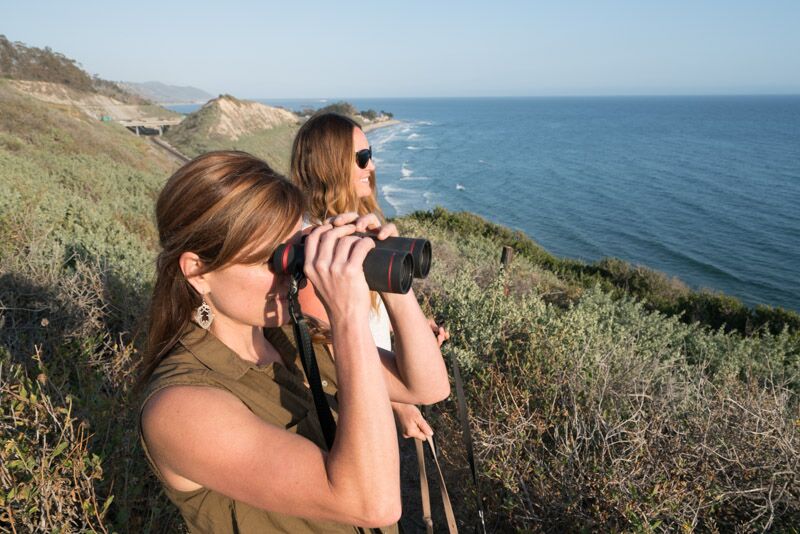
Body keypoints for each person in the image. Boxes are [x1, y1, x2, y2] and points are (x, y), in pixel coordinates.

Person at [138, 151, 450, 533]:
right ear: (198, 271)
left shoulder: (292, 334)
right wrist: (348, 312)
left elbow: (426, 387)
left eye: (294, 249)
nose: (290, 272)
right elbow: (374, 503)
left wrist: (385, 274)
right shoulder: (180, 409)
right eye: (270, 260)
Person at [290, 113, 449, 441]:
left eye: (370, 155)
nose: (372, 167)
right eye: (362, 158)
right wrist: (400, 400)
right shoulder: (314, 259)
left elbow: (361, 322)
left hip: (374, 395)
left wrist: (409, 328)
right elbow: (336, 358)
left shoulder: (349, 234)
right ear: (328, 165)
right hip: (345, 421)